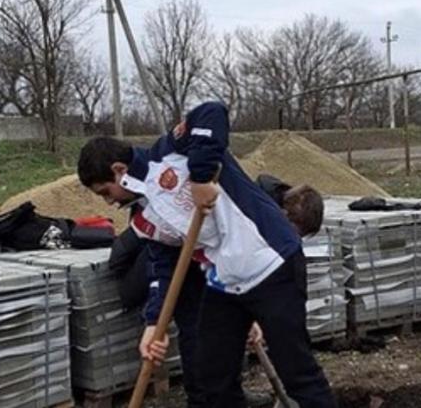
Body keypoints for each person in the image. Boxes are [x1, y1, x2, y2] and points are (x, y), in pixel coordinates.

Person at [78, 101, 336, 407]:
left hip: (270, 261)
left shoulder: (170, 152)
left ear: (119, 171)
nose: (108, 202)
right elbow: (163, 267)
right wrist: (153, 324)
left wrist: (200, 179)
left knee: (297, 373)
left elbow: (212, 111)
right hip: (225, 282)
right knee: (213, 379)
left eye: (106, 192)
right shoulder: (144, 218)